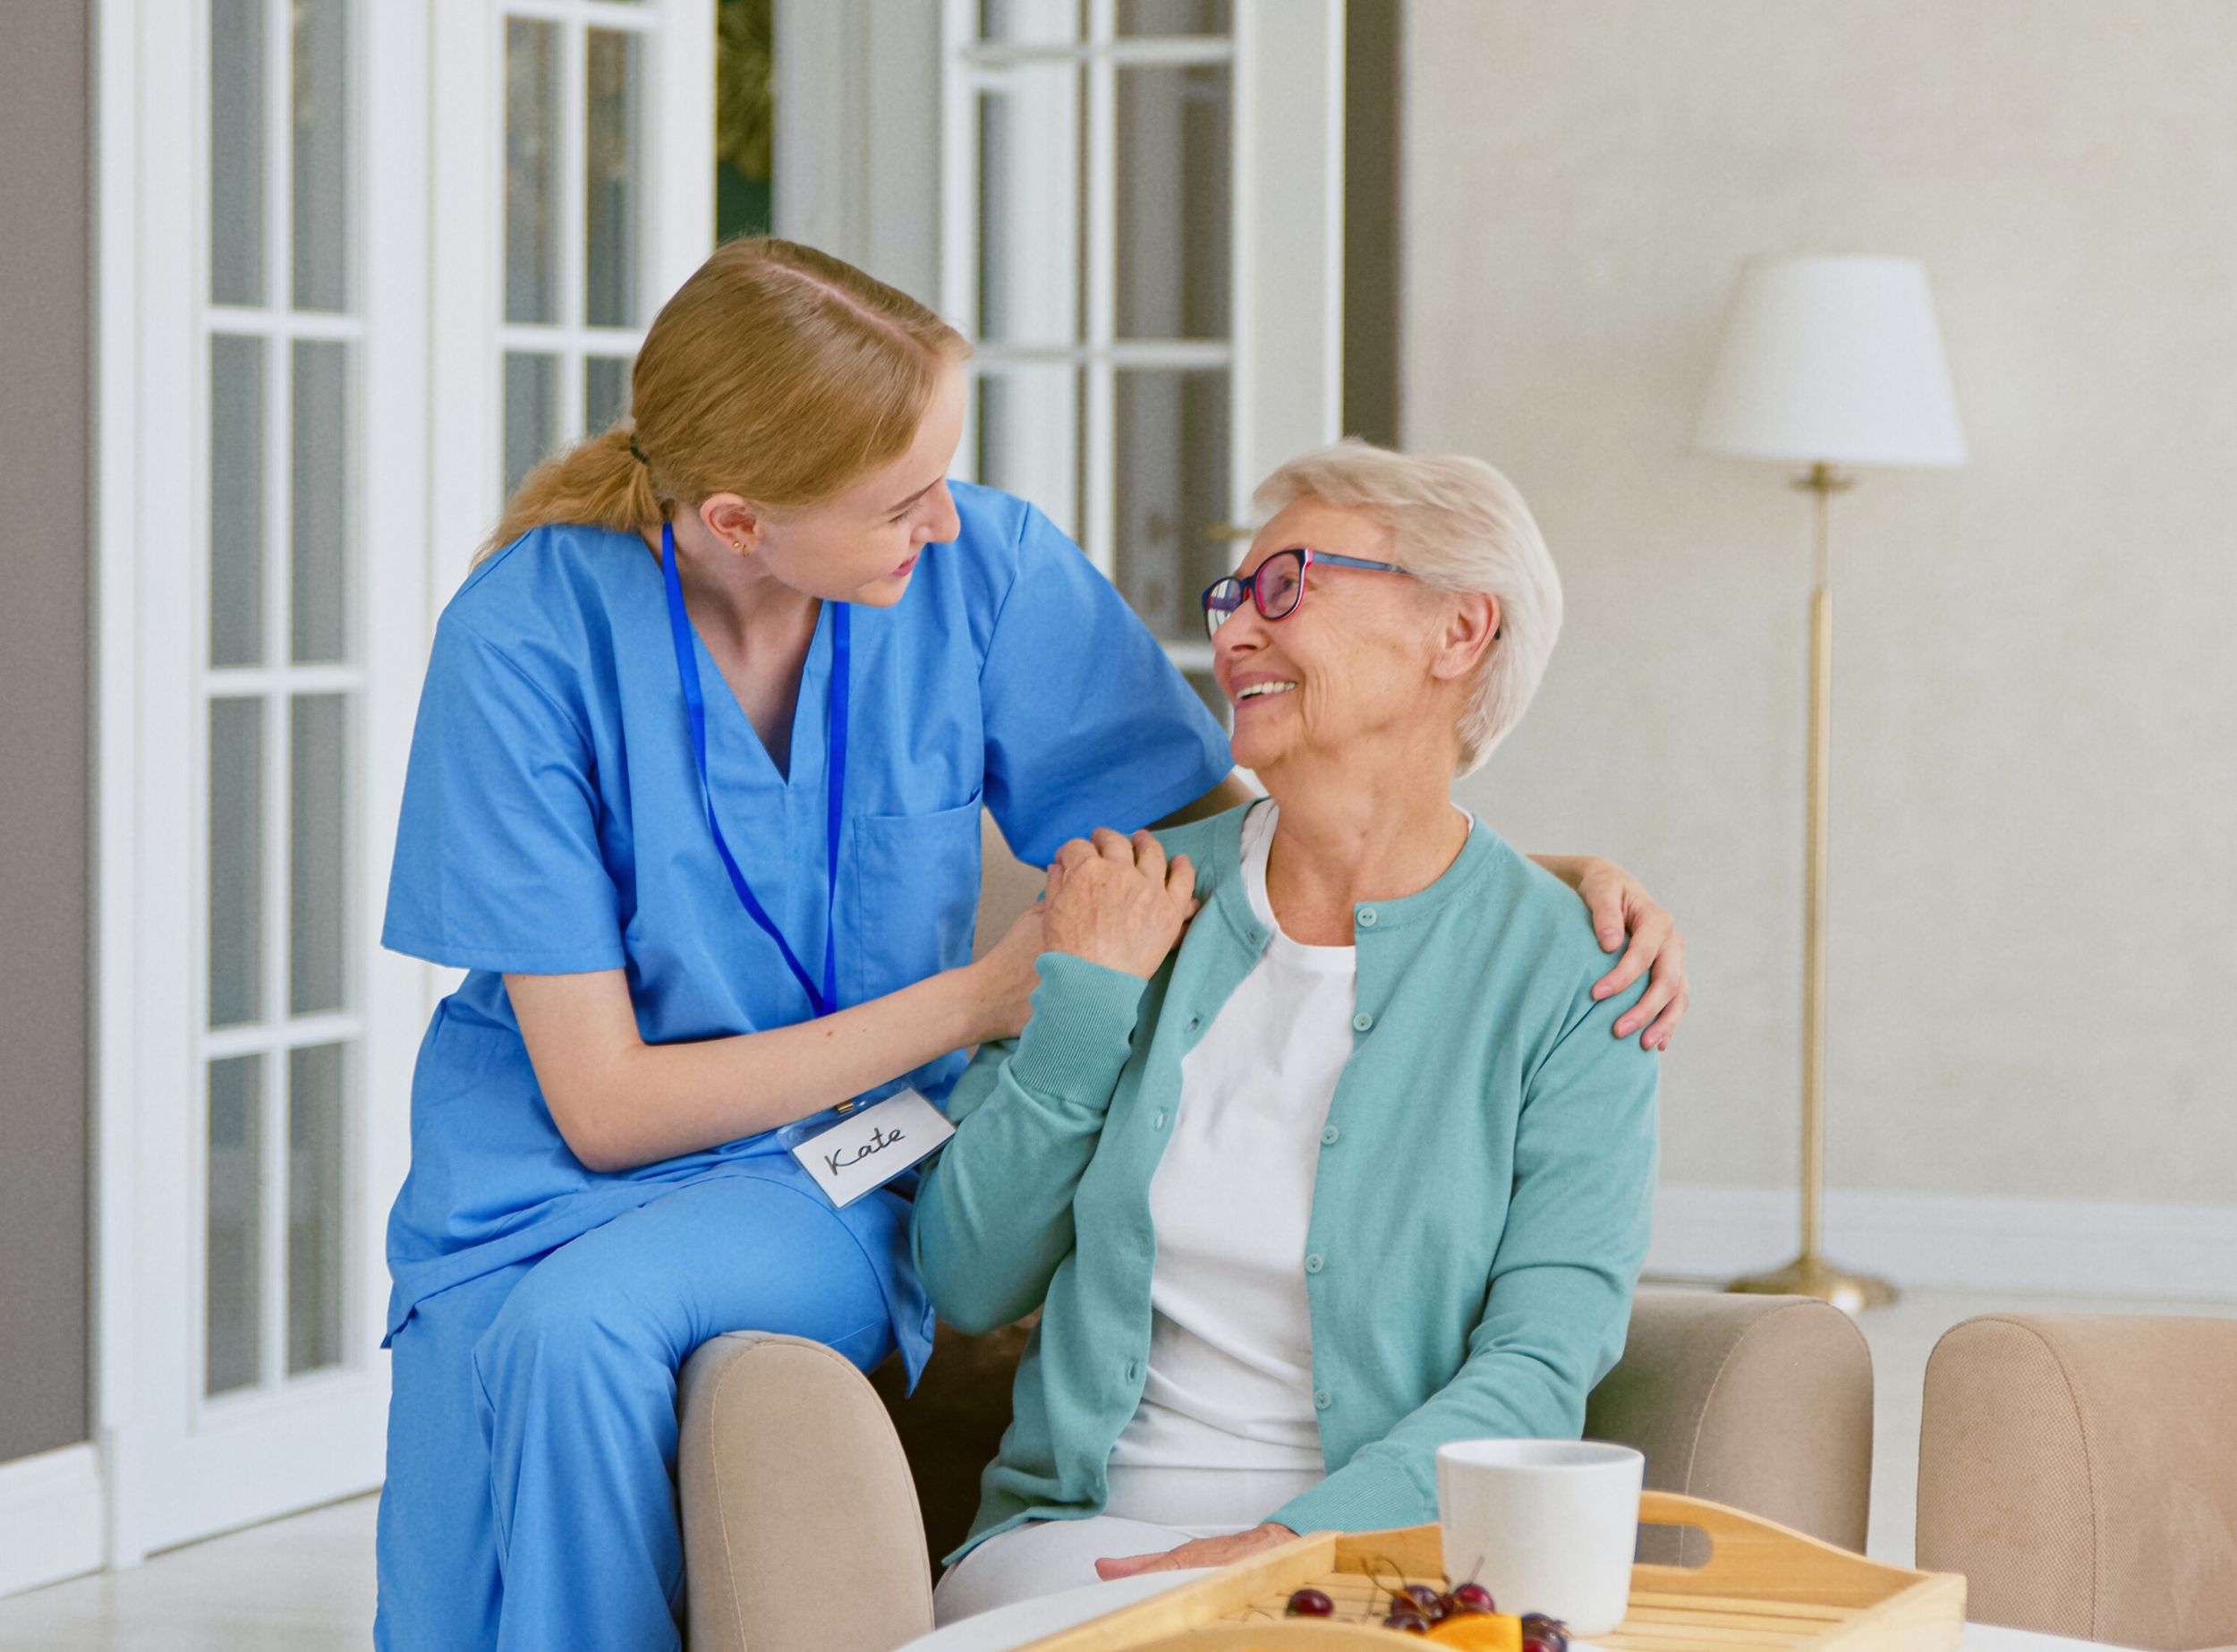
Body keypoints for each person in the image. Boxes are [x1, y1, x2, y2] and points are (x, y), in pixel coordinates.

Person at [373, 240, 1686, 1651]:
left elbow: (1243, 820)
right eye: (900, 495)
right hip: (549, 1155)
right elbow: (605, 1103)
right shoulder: (524, 637)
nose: (947, 516)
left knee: (575, 1338)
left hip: (821, 1164)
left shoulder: (981, 572)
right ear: (743, 520)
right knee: (469, 1497)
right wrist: (986, 1000)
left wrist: (1515, 887)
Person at [916, 442, 1661, 1622]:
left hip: (1391, 1558)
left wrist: (1285, 1545)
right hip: (1082, 1546)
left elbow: (1541, 1357)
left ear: (1458, 633)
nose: (1233, 636)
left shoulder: (1578, 976)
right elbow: (966, 1276)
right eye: (1229, 599)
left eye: (1286, 586)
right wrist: (1085, 1009)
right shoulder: (1128, 900)